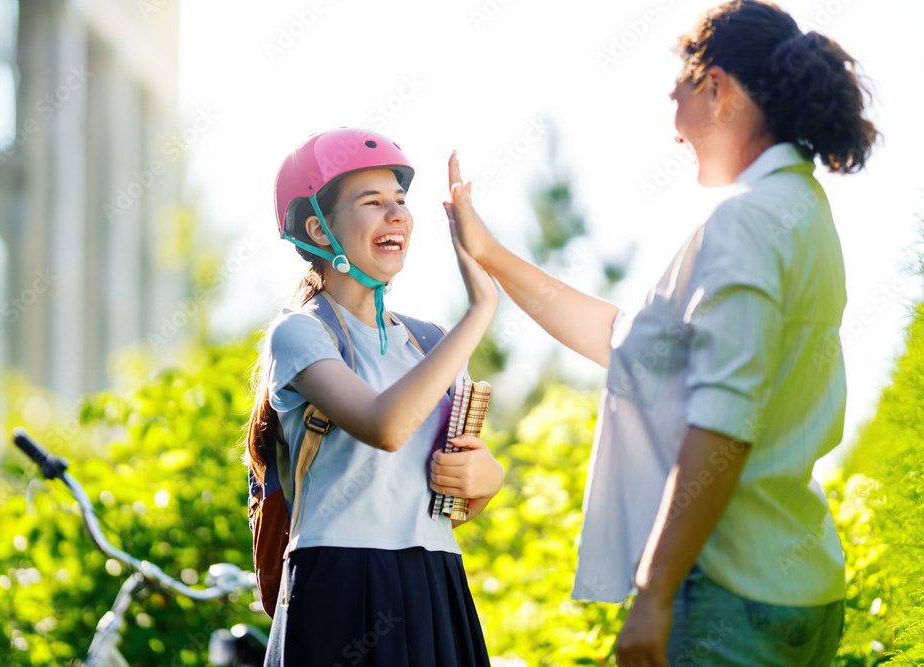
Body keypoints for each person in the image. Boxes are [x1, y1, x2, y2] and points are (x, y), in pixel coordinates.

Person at [443, 1, 878, 664]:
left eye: (677, 91)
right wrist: (493, 254)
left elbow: (724, 423)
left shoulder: (746, 220)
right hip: (796, 584)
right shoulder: (800, 209)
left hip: (727, 597)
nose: (674, 127)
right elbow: (624, 345)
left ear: (716, 88)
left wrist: (653, 590)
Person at [247, 127, 502, 667]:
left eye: (401, 201)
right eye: (372, 202)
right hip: (340, 580)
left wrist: (486, 478)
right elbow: (384, 427)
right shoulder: (299, 333)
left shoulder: (427, 341)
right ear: (318, 228)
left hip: (435, 576)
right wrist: (481, 307)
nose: (397, 215)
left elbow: (448, 492)